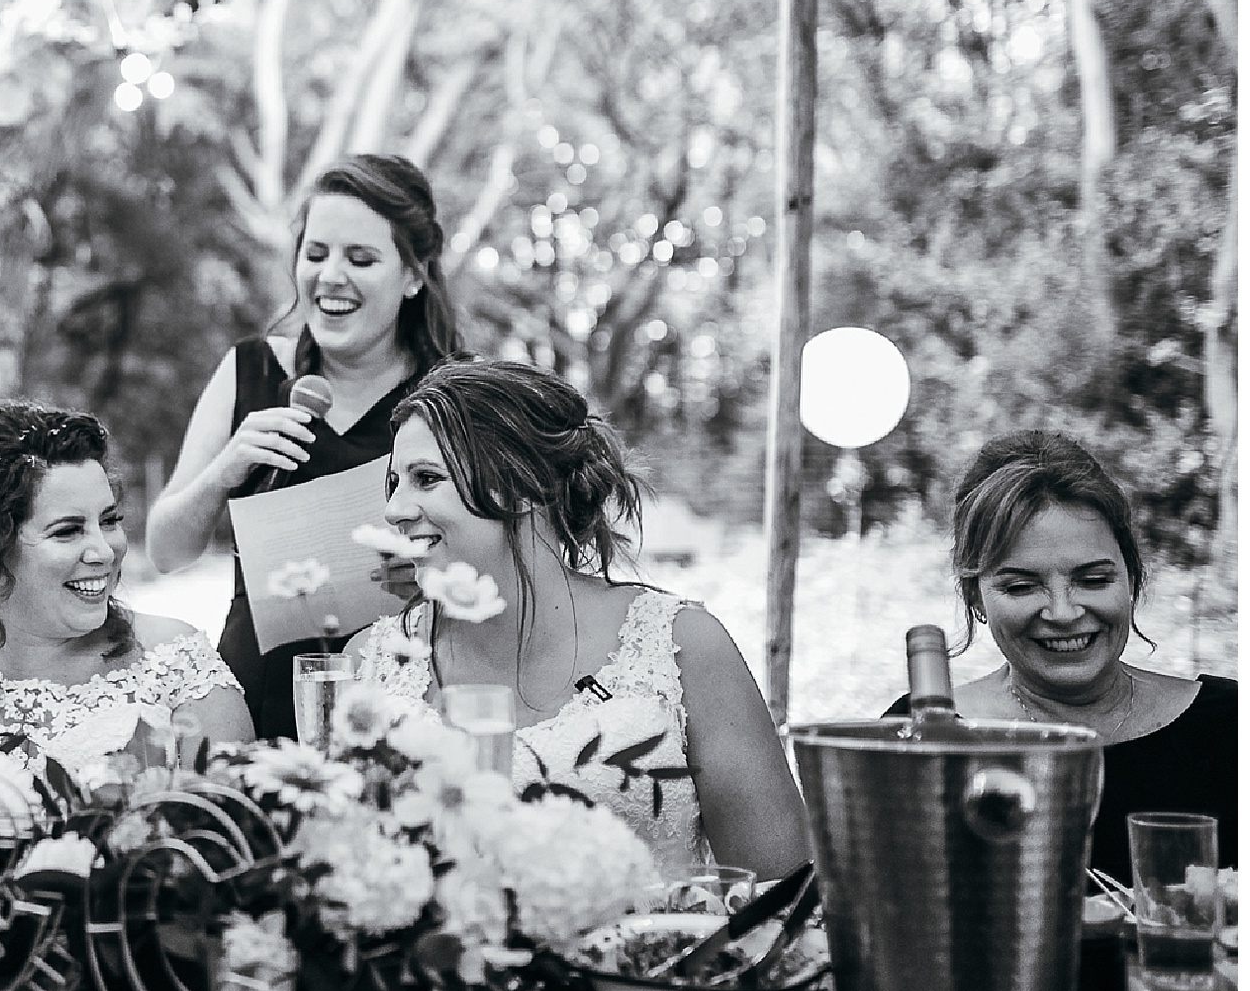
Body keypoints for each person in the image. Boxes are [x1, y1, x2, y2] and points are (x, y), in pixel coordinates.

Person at [347, 358, 811, 881]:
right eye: (393, 483)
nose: (394, 510)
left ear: (520, 486)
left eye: (426, 479)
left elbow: (782, 894)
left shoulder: (680, 646)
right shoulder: (370, 664)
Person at [146, 154, 463, 740]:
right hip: (254, 697)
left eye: (361, 259)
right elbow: (165, 551)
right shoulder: (249, 370)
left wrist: (431, 571)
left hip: (404, 701)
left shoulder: (458, 396)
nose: (331, 276)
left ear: (414, 276)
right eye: (315, 255)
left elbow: (509, 561)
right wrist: (223, 472)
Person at [880, 430, 1236, 878]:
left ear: (1131, 578)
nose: (1064, 612)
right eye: (1021, 586)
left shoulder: (1230, 727)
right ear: (975, 597)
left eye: (1093, 580)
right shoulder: (911, 743)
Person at [0, 401, 253, 773]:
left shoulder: (180, 665)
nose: (104, 551)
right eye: (68, 531)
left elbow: (228, 831)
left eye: (110, 521)